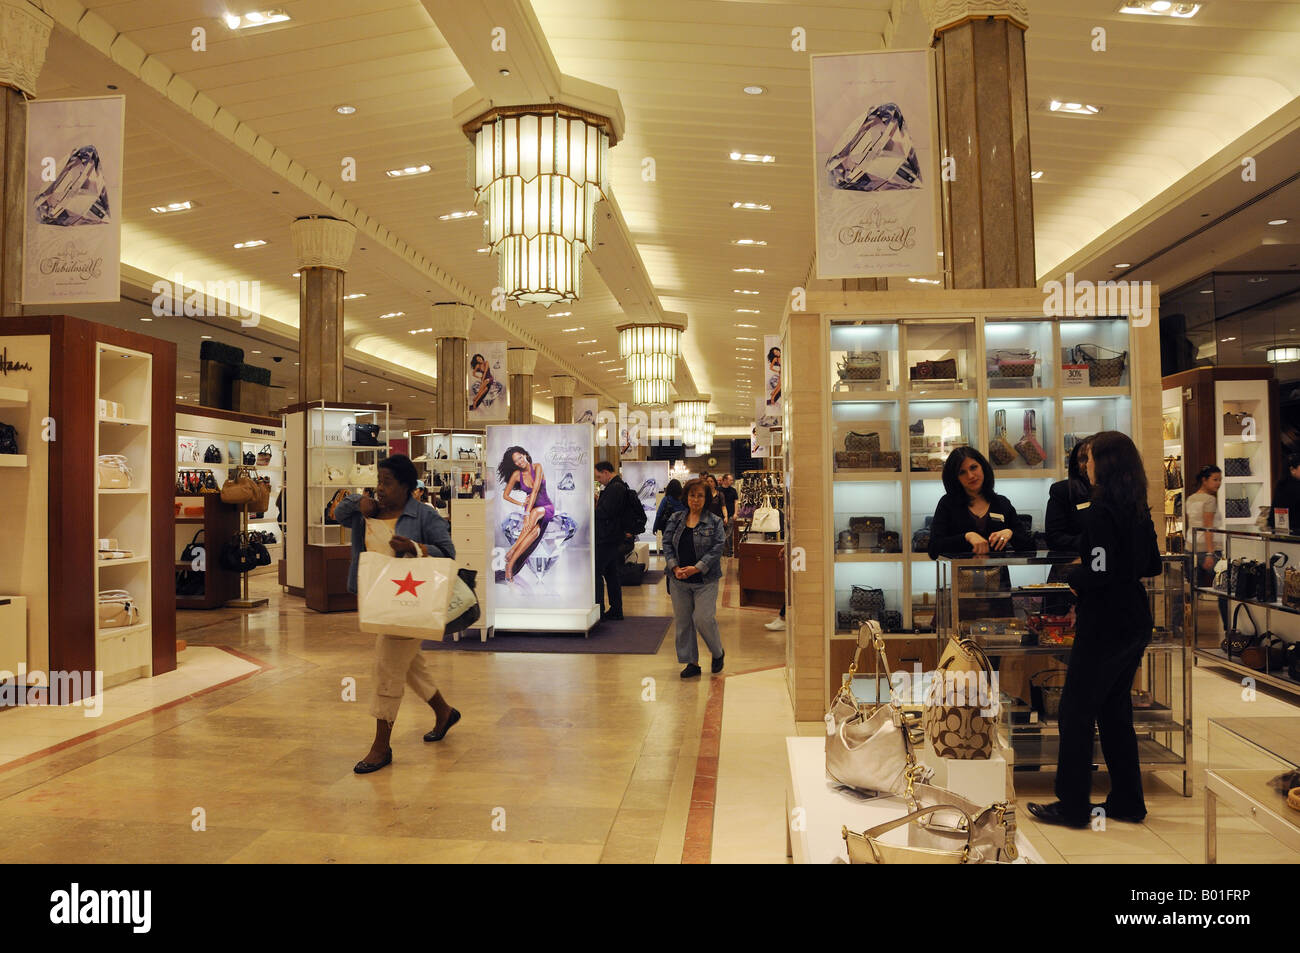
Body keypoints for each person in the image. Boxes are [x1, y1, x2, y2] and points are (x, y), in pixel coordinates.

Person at [1027, 431, 1162, 828]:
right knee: (1115, 711)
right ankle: (1127, 801)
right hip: (1134, 615)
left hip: (1105, 619)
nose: (1084, 466)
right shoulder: (1137, 506)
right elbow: (1150, 564)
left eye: (1088, 458)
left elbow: (1099, 569)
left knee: (1075, 711)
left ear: (1104, 463)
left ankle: (1072, 806)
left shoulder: (1103, 511)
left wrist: (1074, 575)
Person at [331, 455, 459, 775]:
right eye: (379, 480)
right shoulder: (369, 511)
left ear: (405, 485)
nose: (381, 488)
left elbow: (448, 552)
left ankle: (381, 745)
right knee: (408, 663)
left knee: (387, 666)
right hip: (378, 598)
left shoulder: (423, 515)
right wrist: (360, 501)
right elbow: (336, 514)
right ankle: (444, 712)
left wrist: (417, 548)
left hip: (410, 600)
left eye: (388, 481)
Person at [664, 478, 727, 678]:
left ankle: (717, 652)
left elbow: (718, 547)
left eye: (700, 496)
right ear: (686, 497)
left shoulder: (715, 521)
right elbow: (666, 543)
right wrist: (674, 567)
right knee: (683, 622)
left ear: (706, 498)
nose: (696, 500)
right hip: (678, 581)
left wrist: (697, 568)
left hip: (705, 581)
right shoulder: (675, 518)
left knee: (703, 619)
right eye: (692, 495)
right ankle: (692, 662)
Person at [927, 447, 1032, 558]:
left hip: (997, 574)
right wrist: (967, 537)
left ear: (983, 467)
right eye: (962, 472)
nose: (970, 476)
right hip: (960, 574)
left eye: (973, 467)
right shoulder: (948, 504)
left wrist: (1010, 533)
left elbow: (1029, 547)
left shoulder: (1002, 503)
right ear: (955, 478)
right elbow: (934, 549)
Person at [497, 446, 552, 583]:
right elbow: (505, 495)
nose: (519, 462)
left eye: (520, 457)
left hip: (545, 507)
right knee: (534, 533)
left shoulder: (537, 467)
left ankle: (512, 549)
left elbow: (534, 491)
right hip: (530, 508)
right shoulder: (517, 475)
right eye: (516, 461)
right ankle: (510, 566)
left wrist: (527, 513)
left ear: (525, 455)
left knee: (534, 514)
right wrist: (521, 504)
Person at [1186, 464, 1226, 627]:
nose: (1218, 483)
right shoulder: (1210, 500)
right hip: (1208, 550)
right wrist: (1210, 553)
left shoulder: (1191, 498)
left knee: (1192, 591)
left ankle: (1188, 628)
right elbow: (1208, 527)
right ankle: (1228, 627)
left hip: (1190, 548)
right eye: (1215, 479)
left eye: (1220, 480)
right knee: (1224, 587)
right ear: (1204, 480)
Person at [594, 461, 634, 620]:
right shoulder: (619, 486)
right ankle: (615, 609)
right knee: (611, 574)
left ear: (605, 472)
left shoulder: (615, 488)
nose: (598, 480)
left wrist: (595, 506)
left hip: (607, 538)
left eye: (598, 476)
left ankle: (600, 609)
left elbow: (605, 513)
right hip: (612, 537)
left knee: (597, 573)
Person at [1046, 438, 1093, 553]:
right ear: (1075, 464)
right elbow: (1054, 538)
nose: (1087, 464)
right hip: (1073, 564)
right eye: (1083, 459)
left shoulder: (1116, 491)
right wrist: (1092, 542)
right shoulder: (1062, 490)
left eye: (1091, 459)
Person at [1271, 453, 1300, 529]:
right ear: (1292, 470)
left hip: (1281, 532)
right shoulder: (1292, 487)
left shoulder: (1280, 485)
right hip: (1294, 534)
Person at [719, 473, 740, 556]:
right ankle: (723, 551)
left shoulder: (733, 490)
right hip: (720, 515)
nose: (732, 481)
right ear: (724, 480)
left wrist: (735, 513)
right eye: (730, 480)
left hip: (731, 514)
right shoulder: (718, 490)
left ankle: (730, 550)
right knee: (720, 533)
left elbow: (736, 502)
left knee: (729, 534)